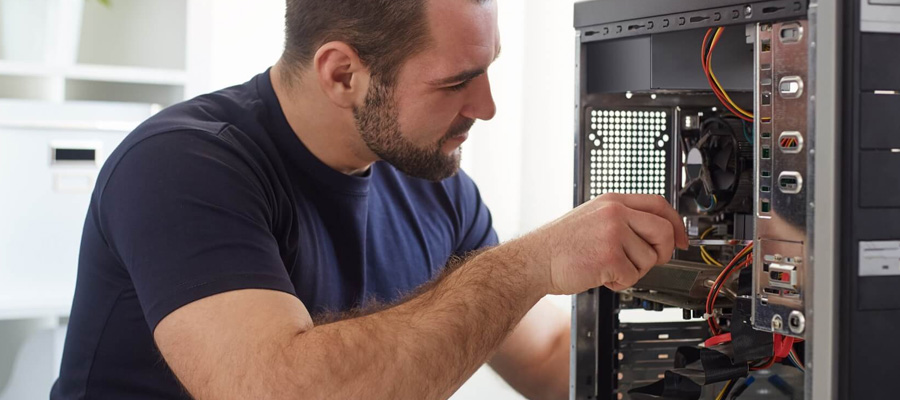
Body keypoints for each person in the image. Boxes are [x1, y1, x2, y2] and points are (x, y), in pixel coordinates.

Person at [51, 0, 688, 398]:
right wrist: (528, 263)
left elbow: (549, 360)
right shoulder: (182, 167)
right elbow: (280, 393)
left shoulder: (436, 189)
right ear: (343, 74)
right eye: (458, 81)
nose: (486, 108)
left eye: (489, 68)